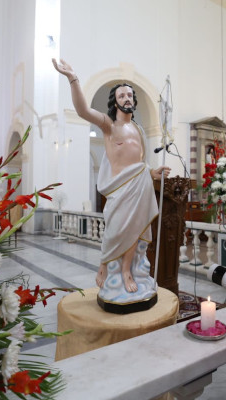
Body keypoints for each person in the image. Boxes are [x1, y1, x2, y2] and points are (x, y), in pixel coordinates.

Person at [52, 58, 169, 293]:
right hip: (119, 190)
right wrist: (73, 78)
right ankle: (104, 266)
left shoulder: (138, 128)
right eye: (122, 95)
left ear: (133, 101)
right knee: (115, 231)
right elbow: (83, 110)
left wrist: (152, 173)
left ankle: (126, 271)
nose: (127, 98)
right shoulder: (109, 125)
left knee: (134, 231)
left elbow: (141, 163)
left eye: (129, 95)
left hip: (139, 186)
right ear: (115, 101)